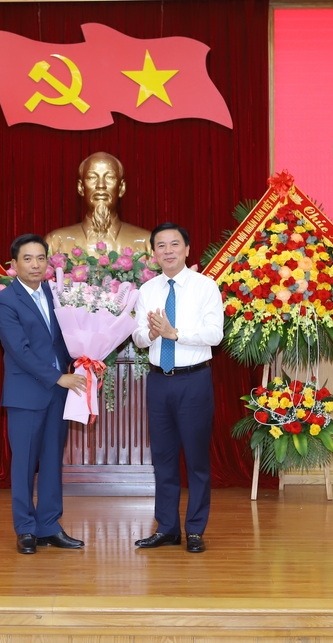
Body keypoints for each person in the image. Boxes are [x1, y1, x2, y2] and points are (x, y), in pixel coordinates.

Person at [131, 223, 224, 553]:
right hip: (159, 382)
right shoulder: (147, 290)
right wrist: (153, 334)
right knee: (163, 459)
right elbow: (138, 337)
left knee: (197, 460)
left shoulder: (205, 287)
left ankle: (195, 529)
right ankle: (167, 527)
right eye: (161, 245)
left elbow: (215, 335)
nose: (167, 250)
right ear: (153, 253)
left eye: (174, 244)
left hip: (193, 381)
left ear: (187, 249)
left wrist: (174, 332)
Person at [0, 234, 88, 554]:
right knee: (24, 464)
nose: (35, 265)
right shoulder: (6, 300)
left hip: (58, 393)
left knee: (51, 462)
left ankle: (49, 525)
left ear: (48, 262)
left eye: (41, 258)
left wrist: (85, 358)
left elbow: (69, 337)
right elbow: (18, 350)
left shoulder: (57, 294)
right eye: (28, 259)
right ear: (14, 264)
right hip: (26, 394)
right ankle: (25, 529)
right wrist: (57, 377)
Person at [44, 152, 151, 256]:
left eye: (109, 177)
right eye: (92, 177)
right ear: (81, 187)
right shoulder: (56, 242)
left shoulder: (146, 243)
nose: (101, 185)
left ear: (121, 188)